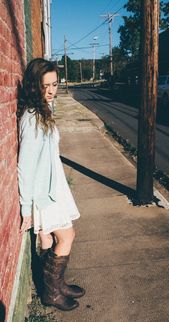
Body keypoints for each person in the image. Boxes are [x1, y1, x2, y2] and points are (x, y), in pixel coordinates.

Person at [17, 58, 85, 311]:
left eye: (55, 84)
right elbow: (24, 165)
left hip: (53, 188)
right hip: (44, 194)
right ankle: (51, 293)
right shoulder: (33, 118)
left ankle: (57, 286)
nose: (51, 90)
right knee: (67, 236)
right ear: (34, 86)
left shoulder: (44, 110)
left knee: (49, 241)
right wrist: (27, 208)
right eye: (45, 86)